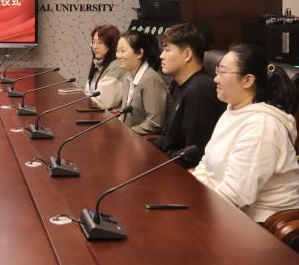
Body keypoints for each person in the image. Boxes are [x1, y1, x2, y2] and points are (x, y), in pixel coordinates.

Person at [192, 44, 299, 222]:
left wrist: (192, 207)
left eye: (223, 72)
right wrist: (189, 191)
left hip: (261, 223)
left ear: (247, 80)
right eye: (217, 71)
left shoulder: (262, 126)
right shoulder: (232, 110)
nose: (215, 79)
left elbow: (236, 196)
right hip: (224, 208)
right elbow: (206, 164)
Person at [154, 23, 225, 168]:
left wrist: (156, 162)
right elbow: (167, 136)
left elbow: (193, 155)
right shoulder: (185, 84)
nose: (161, 56)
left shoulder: (199, 90)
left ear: (187, 55)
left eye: (167, 50)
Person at [116, 30, 173, 135]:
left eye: (123, 51)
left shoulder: (151, 80)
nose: (118, 55)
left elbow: (154, 123)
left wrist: (128, 132)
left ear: (140, 53)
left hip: (141, 141)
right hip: (127, 136)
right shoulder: (127, 78)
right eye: (117, 51)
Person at [84, 24, 127, 109]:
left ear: (111, 45)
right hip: (93, 113)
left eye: (99, 42)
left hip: (107, 116)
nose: (95, 47)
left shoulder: (117, 66)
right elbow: (87, 93)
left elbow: (103, 102)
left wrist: (79, 100)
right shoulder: (98, 64)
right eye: (93, 42)